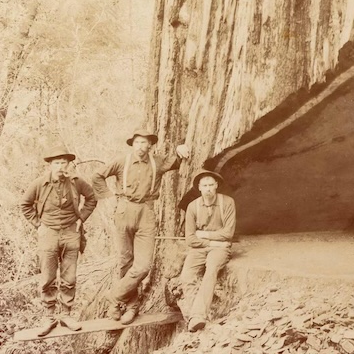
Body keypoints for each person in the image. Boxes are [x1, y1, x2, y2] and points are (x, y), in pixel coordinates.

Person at [93, 128, 190, 324]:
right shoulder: (122, 161)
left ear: (150, 146)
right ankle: (130, 306)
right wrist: (109, 197)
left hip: (147, 211)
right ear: (133, 144)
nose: (141, 147)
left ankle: (114, 297)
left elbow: (177, 161)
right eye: (138, 142)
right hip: (123, 210)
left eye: (145, 143)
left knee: (143, 265)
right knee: (125, 261)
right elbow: (97, 176)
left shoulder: (158, 162)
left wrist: (181, 147)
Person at [21, 145, 98, 336]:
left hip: (72, 233)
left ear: (69, 164)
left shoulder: (77, 182)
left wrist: (81, 219)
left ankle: (66, 314)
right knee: (47, 277)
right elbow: (25, 205)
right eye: (57, 163)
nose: (61, 166)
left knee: (69, 277)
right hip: (48, 233)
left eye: (64, 162)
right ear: (50, 165)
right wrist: (38, 225)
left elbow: (91, 198)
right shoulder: (39, 184)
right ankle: (49, 316)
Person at [177, 169, 236, 332]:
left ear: (216, 185)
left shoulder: (227, 202)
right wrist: (216, 242)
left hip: (218, 251)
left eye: (211, 185)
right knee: (186, 276)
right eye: (205, 185)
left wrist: (204, 235)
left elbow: (228, 233)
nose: (208, 188)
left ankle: (198, 316)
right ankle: (191, 314)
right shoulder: (192, 206)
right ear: (199, 188)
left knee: (211, 270)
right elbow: (190, 239)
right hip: (203, 248)